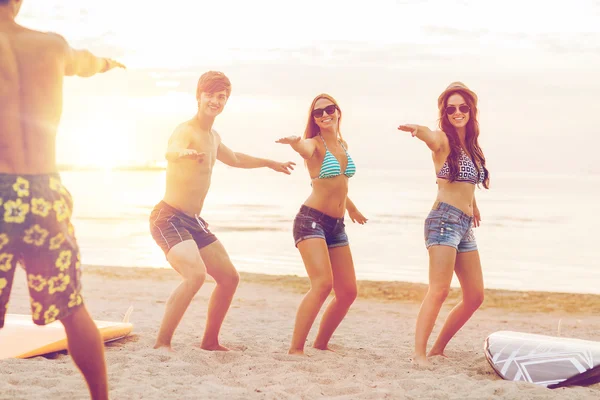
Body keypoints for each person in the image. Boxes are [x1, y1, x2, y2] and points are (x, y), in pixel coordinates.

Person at [0, 0, 125, 398]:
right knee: (72, 308)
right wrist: (107, 62)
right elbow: (87, 63)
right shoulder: (52, 46)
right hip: (44, 192)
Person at [149, 71, 295, 352]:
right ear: (198, 96)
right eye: (210, 95)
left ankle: (210, 341)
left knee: (229, 278)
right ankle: (162, 343)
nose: (215, 101)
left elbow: (236, 159)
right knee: (195, 276)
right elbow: (171, 151)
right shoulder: (186, 130)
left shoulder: (213, 137)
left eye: (221, 96)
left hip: (193, 221)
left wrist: (269, 162)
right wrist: (182, 154)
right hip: (168, 217)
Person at [398, 82, 490, 367]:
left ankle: (438, 349)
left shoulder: (473, 147)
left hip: (463, 225)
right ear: (445, 113)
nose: (457, 112)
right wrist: (420, 131)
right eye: (451, 108)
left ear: (471, 110)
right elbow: (431, 138)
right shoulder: (443, 141)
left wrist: (473, 205)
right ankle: (419, 354)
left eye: (463, 107)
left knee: (475, 296)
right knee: (439, 290)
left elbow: (467, 182)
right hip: (443, 221)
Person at [276, 93, 367, 355]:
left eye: (329, 109)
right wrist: (295, 143)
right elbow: (304, 149)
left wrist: (352, 209)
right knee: (322, 284)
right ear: (314, 119)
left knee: (348, 292)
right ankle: (295, 350)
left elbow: (339, 184)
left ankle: (321, 344)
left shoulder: (342, 144)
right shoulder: (313, 145)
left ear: (338, 111)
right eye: (318, 113)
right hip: (311, 221)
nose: (325, 115)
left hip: (336, 226)